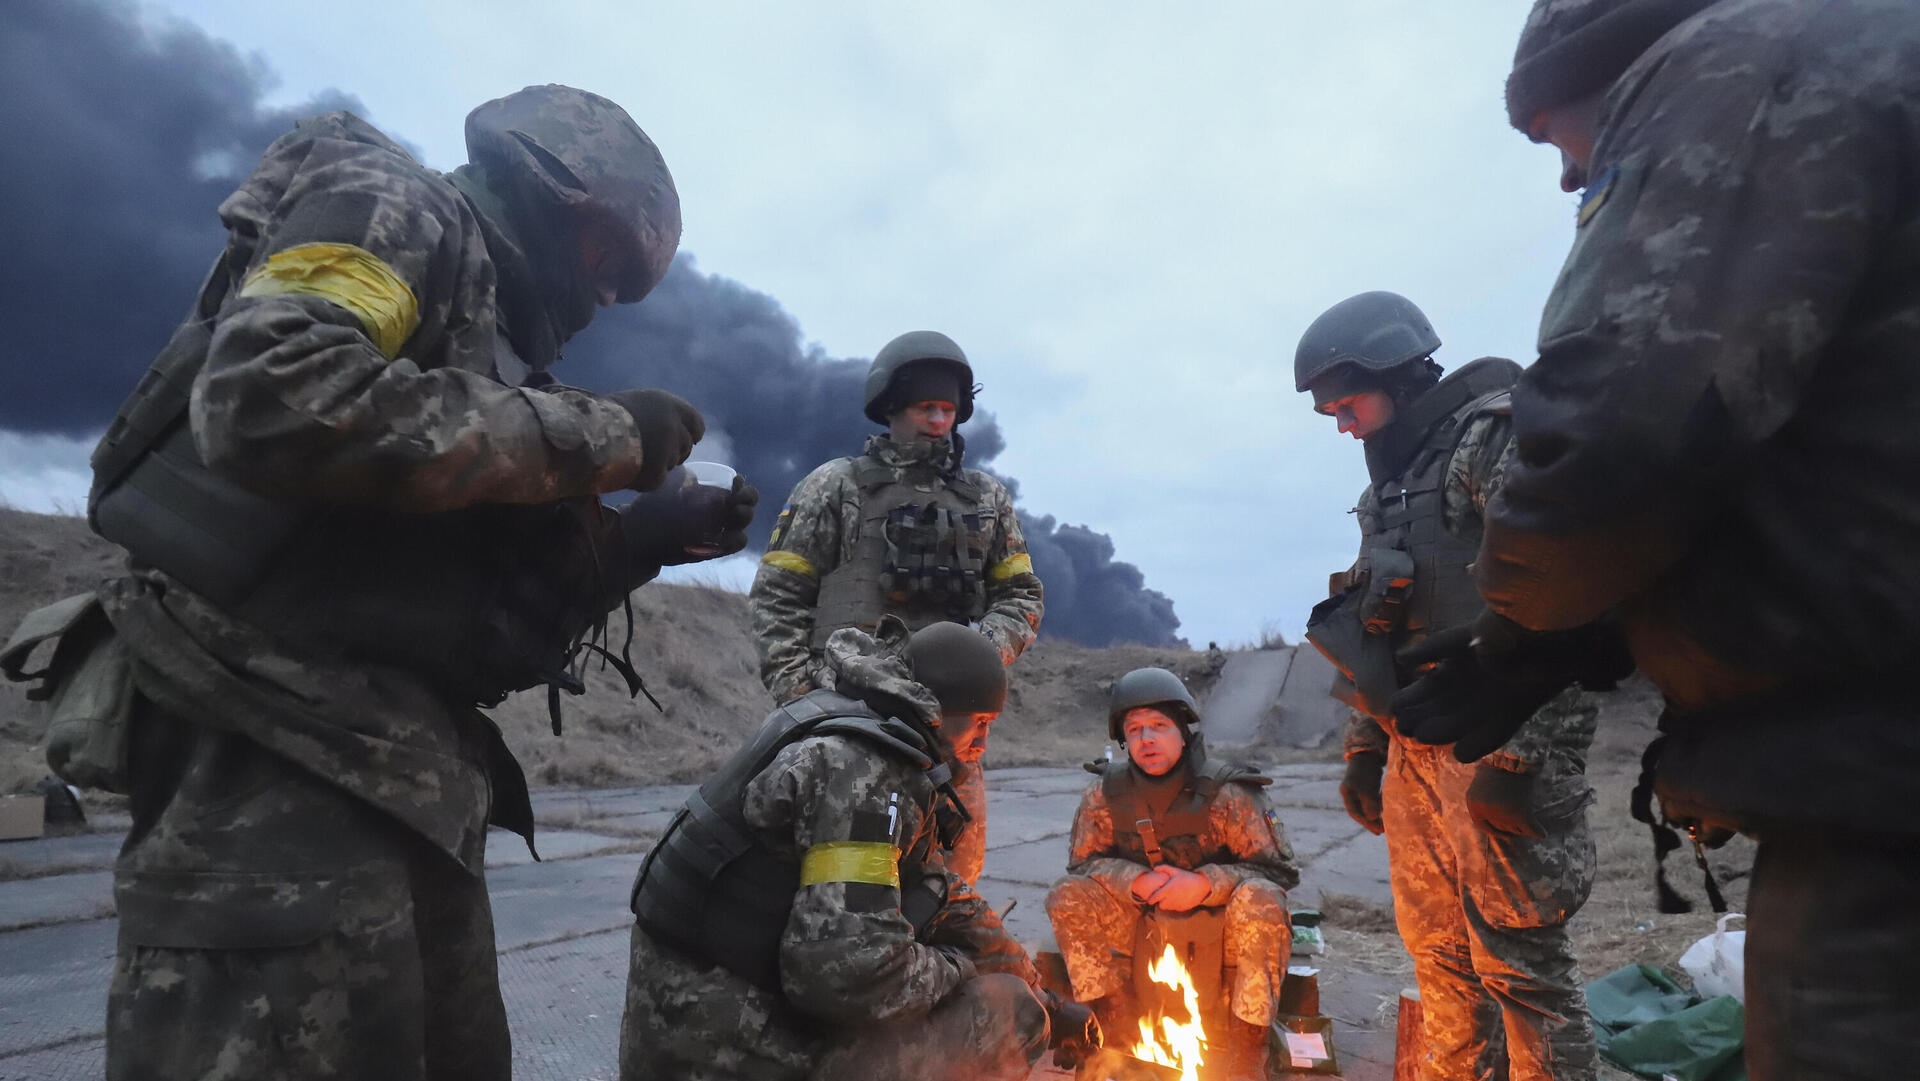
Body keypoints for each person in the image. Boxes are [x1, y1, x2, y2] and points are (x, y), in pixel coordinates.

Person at [33, 85, 757, 1081]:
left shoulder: (492, 373)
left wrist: (640, 544)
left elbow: (479, 640)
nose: (601, 305)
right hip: (264, 758)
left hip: (406, 789)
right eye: (605, 268)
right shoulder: (390, 203)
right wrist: (606, 436)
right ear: (550, 188)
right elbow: (271, 393)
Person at [1390, 2, 1920, 1077]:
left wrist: (1525, 628)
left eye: (1551, 140)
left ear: (1598, 69)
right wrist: (1576, 639)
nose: (1562, 179)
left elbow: (1625, 424)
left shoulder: (1737, 65)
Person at [1296, 291, 1601, 1081]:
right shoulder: (1386, 494)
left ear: (1398, 374)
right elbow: (1371, 624)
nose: (1342, 424)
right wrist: (1364, 748)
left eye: (1348, 402)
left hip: (1498, 738)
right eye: (1328, 411)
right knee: (1440, 963)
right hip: (1414, 753)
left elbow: (1556, 597)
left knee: (1523, 970)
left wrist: (1524, 758)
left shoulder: (1491, 439)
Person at [621, 619, 1096, 1080]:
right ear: (939, 712)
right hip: (726, 1050)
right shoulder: (864, 774)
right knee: (1008, 1012)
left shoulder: (852, 717)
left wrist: (1046, 994)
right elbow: (849, 978)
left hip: (690, 1021)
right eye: (980, 723)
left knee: (1016, 992)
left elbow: (935, 889)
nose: (984, 741)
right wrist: (961, 969)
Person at [748, 330, 1044, 884]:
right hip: (847, 716)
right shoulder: (835, 487)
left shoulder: (985, 500)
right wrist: (801, 689)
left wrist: (978, 657)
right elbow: (778, 594)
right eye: (925, 406)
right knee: (837, 882)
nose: (938, 420)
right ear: (891, 407)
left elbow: (1021, 595)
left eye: (948, 409)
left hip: (948, 733)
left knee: (950, 892)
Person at [1045, 667, 1298, 1078]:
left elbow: (1279, 872)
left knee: (1264, 901)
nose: (1146, 738)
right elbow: (1084, 865)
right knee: (1067, 894)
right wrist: (1134, 881)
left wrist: (1204, 885)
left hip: (1219, 924)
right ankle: (1109, 1033)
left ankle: (1247, 1053)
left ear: (1184, 733)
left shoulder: (1231, 793)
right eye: (1135, 729)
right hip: (1140, 919)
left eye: (1159, 726)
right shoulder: (1103, 794)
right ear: (1123, 741)